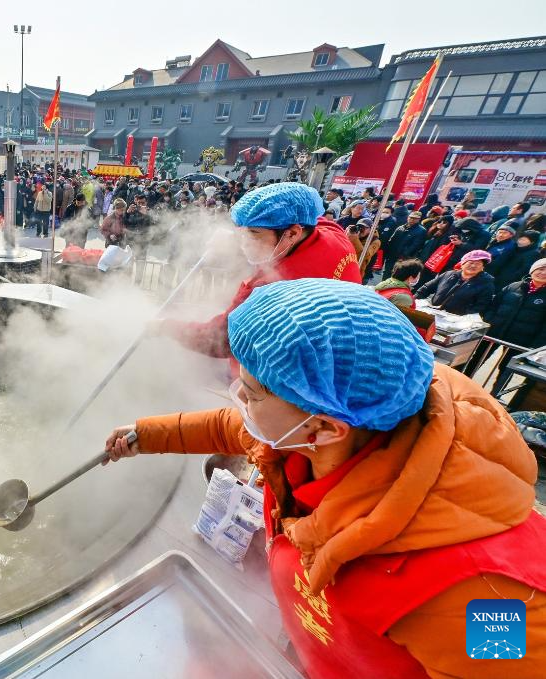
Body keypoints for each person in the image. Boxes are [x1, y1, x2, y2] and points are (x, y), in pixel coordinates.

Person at [104, 278, 546, 679]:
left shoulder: (491, 599)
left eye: (252, 392)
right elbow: (231, 426)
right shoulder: (326, 430)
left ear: (328, 426)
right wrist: (145, 435)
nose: (237, 396)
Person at [159, 182, 361, 358]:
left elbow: (220, 340)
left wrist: (166, 327)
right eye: (241, 231)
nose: (244, 241)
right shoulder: (334, 234)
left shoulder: (268, 288)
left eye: (254, 233)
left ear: (292, 233)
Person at [467, 258, 546, 391]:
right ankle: (461, 383)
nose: (543, 273)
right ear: (533, 270)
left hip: (520, 341)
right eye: (540, 269)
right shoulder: (514, 286)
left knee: (506, 368)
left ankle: (494, 396)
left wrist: (535, 345)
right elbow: (493, 306)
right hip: (494, 333)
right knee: (475, 360)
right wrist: (489, 322)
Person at [415, 249, 494, 317]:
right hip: (431, 313)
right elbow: (426, 288)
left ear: (483, 268)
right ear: (462, 264)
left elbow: (480, 307)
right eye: (470, 262)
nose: (473, 266)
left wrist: (461, 320)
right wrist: (414, 301)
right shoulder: (448, 274)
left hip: (455, 322)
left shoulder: (486, 284)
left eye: (478, 264)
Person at [381, 210, 427, 279]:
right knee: (386, 273)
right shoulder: (401, 227)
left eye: (414, 218)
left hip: (403, 258)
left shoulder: (421, 230)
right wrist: (387, 251)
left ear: (418, 219)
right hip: (391, 255)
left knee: (397, 275)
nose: (411, 219)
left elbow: (415, 246)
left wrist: (404, 255)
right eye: (410, 217)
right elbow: (391, 240)